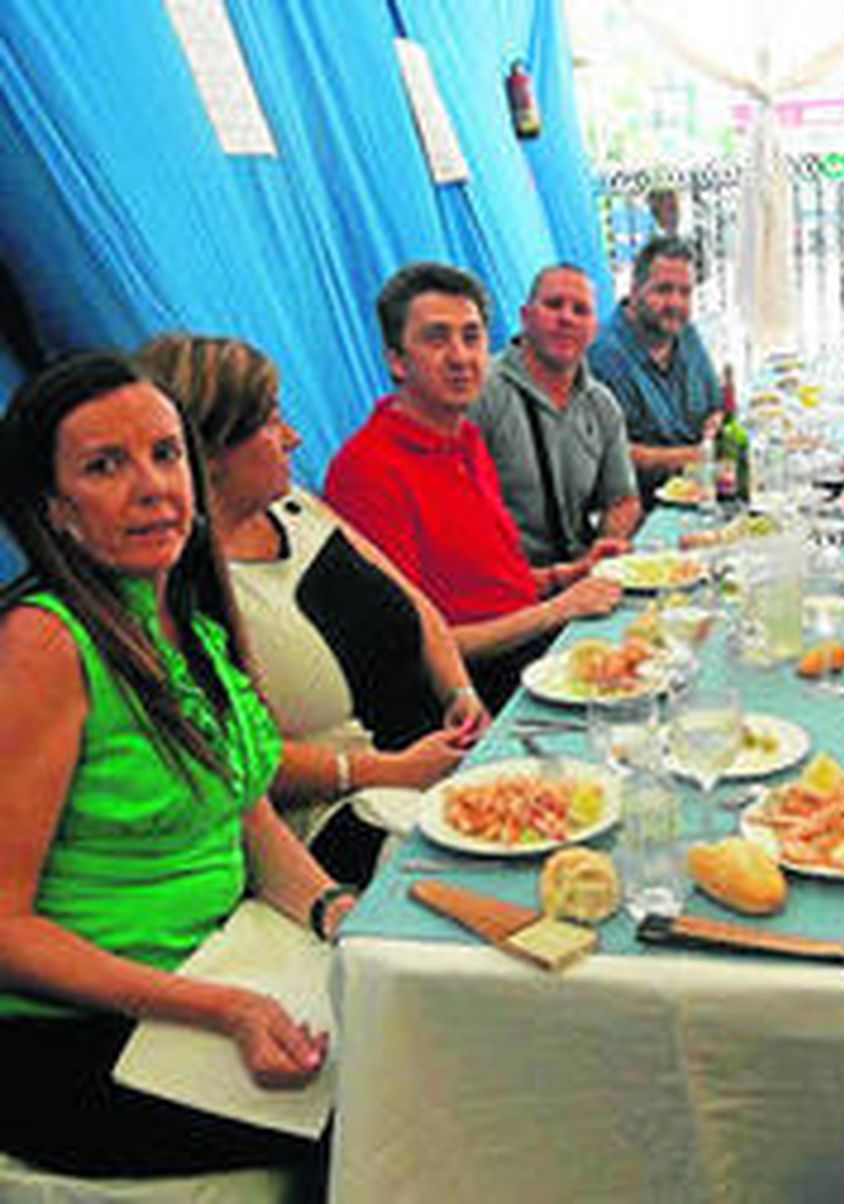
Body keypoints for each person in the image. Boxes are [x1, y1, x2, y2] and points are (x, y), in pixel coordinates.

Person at [0, 351, 351, 1190]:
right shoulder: (45, 646)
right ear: (55, 511)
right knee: (392, 1106)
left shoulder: (183, 613)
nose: (153, 486)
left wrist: (337, 910)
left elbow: (245, 811)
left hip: (222, 966)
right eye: (104, 466)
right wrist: (226, 1008)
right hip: (77, 1038)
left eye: (165, 454)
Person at [140, 334, 490, 884]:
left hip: (430, 755)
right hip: (340, 813)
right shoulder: (184, 589)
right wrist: (392, 770)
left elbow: (416, 606)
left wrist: (461, 695)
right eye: (271, 423)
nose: (294, 438)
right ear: (208, 452)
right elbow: (245, 757)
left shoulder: (298, 507)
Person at [324, 262, 622, 710]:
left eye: (472, 336)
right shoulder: (368, 470)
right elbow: (415, 647)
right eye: (437, 338)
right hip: (474, 691)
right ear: (396, 360)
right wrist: (557, 610)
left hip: (530, 648)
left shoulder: (466, 439)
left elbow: (485, 588)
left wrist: (566, 575)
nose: (461, 357)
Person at [475, 263, 642, 566]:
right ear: (525, 316)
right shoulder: (480, 392)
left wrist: (607, 544)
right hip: (502, 586)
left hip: (577, 576)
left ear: (594, 330)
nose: (566, 318)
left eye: (580, 310)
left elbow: (623, 500)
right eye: (554, 305)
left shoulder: (602, 404)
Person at [588, 235, 722, 495]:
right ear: (635, 290)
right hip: (642, 508)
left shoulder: (686, 334)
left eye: (685, 292)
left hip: (700, 490)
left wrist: (715, 424)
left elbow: (715, 406)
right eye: (663, 290)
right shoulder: (602, 355)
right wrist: (695, 456)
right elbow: (609, 454)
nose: (675, 303)